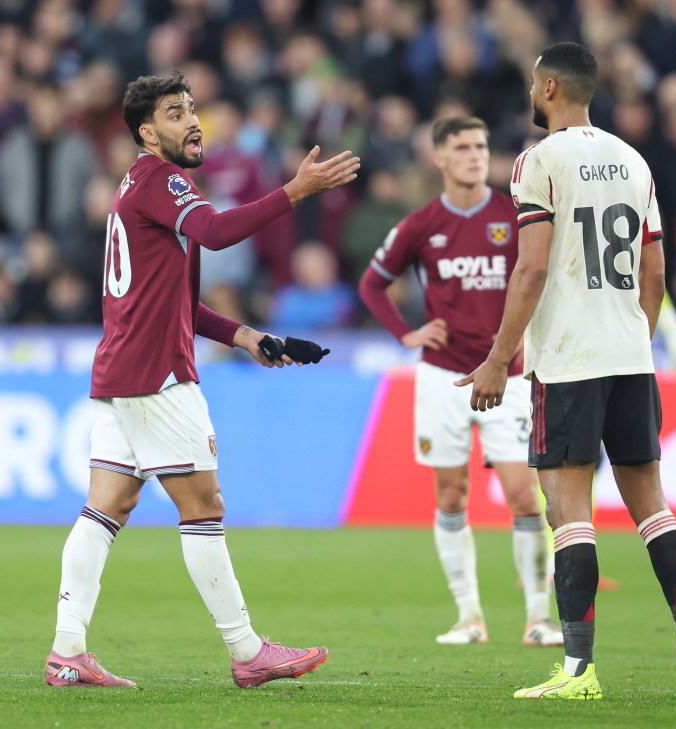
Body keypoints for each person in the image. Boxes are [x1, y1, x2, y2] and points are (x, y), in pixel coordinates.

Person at [44, 70, 359, 690]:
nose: (191, 120)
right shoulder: (164, 181)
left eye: (191, 109)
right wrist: (294, 190)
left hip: (121, 370)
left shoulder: (140, 185)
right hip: (156, 376)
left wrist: (246, 337)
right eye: (173, 112)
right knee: (204, 505)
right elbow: (216, 234)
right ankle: (247, 651)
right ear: (146, 131)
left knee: (108, 504)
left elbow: (179, 300)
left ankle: (67, 651)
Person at [456, 43, 676, 699]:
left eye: (530, 82)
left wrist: (497, 357)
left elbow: (533, 267)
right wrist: (633, 335)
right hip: (630, 357)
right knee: (652, 506)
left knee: (569, 510)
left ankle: (577, 669)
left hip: (570, 362)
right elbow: (654, 274)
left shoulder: (537, 161)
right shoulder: (634, 161)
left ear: (548, 88)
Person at [358, 116, 562, 648]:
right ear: (440, 158)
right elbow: (373, 284)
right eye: (464, 147)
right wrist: (407, 333)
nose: (476, 155)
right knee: (451, 494)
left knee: (523, 495)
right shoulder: (421, 223)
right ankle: (469, 616)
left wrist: (528, 335)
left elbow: (544, 278)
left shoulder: (512, 214)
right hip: (442, 377)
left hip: (510, 376)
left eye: (481, 145)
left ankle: (538, 616)